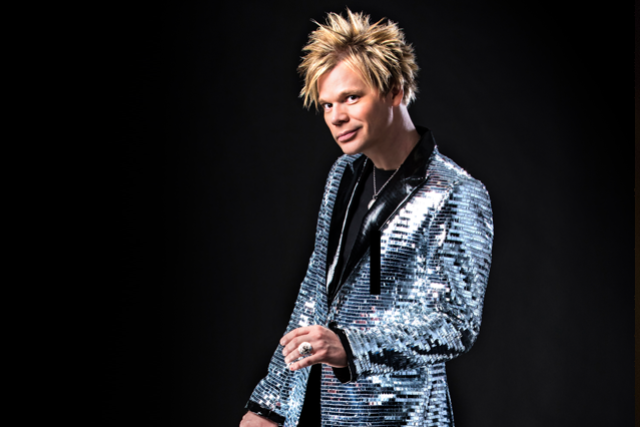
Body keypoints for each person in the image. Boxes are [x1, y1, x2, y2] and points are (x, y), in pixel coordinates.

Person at [240, 9, 493, 427]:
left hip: (404, 415)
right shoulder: (344, 173)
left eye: (351, 98)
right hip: (323, 410)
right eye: (327, 104)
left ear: (394, 91)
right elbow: (315, 293)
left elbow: (455, 324)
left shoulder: (456, 192)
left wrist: (351, 345)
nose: (336, 116)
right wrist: (270, 404)